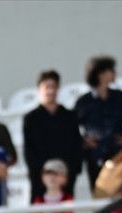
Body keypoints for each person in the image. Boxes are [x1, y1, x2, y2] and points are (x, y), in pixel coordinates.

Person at [75, 56, 122, 197]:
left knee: (121, 192)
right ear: (100, 74)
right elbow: (70, 126)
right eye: (110, 70)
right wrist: (83, 140)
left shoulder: (121, 98)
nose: (114, 73)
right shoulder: (84, 102)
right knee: (100, 194)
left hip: (119, 155)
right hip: (95, 155)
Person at [23, 70, 84, 200]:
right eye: (47, 87)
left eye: (54, 86)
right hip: (40, 179)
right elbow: (29, 150)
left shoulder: (70, 116)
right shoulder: (31, 118)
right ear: (39, 89)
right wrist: (46, 173)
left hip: (66, 177)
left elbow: (76, 145)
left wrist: (69, 171)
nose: (50, 91)